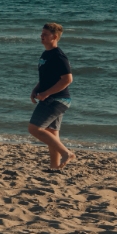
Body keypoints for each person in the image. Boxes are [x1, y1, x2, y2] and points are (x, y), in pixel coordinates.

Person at [29, 21, 76, 170]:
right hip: (53, 98)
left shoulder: (58, 56)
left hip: (57, 99)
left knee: (34, 128)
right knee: (52, 134)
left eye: (45, 34)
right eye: (41, 33)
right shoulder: (45, 54)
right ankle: (55, 167)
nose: (41, 36)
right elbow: (46, 77)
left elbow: (68, 79)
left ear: (54, 37)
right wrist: (35, 89)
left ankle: (66, 153)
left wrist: (46, 93)